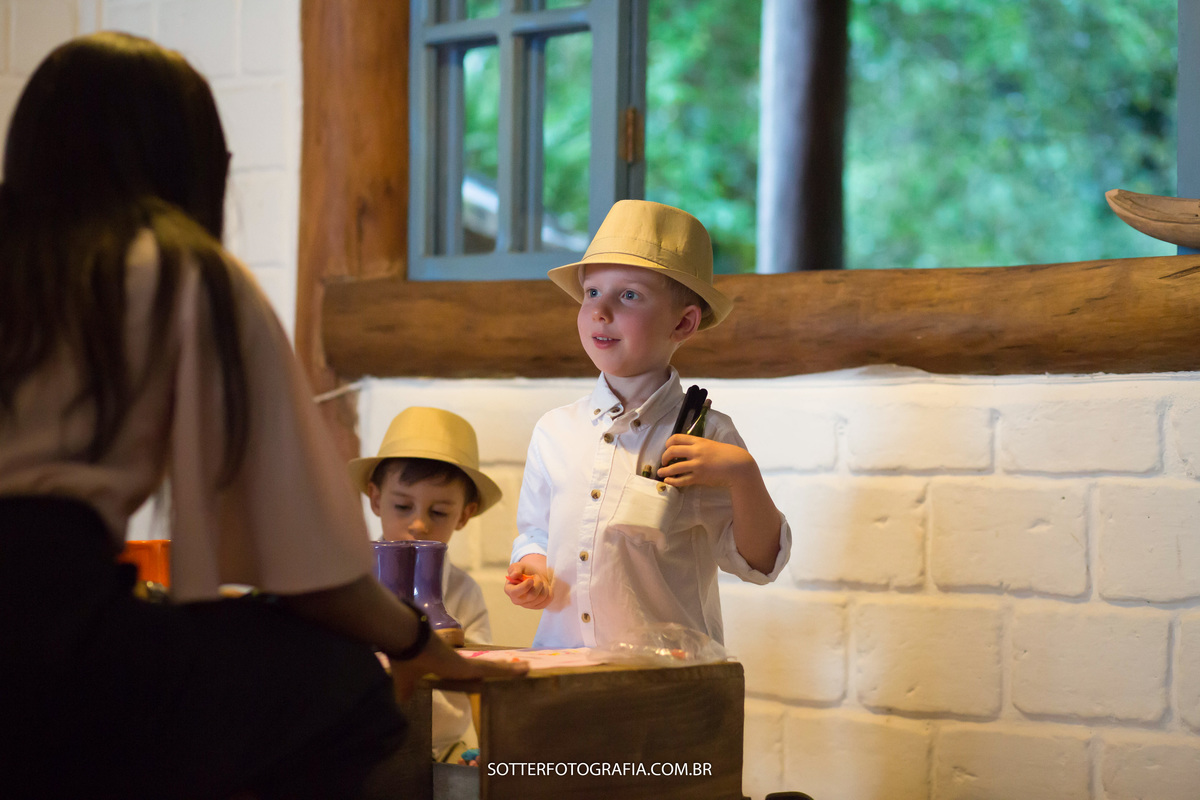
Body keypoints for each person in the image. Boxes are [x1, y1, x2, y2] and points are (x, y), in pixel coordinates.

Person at [0, 32, 524, 800]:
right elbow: (310, 571)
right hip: (44, 634)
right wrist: (413, 643)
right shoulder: (183, 268)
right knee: (338, 684)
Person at [504, 199, 792, 649]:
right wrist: (534, 567)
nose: (601, 310)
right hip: (562, 666)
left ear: (683, 322)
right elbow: (536, 531)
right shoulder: (554, 431)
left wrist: (743, 475)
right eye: (592, 292)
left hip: (668, 681)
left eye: (629, 295)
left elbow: (759, 563)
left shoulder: (708, 438)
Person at [349, 405, 502, 761]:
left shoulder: (464, 594)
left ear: (464, 515)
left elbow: (479, 683)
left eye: (438, 512)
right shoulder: (348, 586)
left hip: (441, 749)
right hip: (356, 753)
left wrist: (493, 750)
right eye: (403, 506)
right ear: (375, 498)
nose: (418, 525)